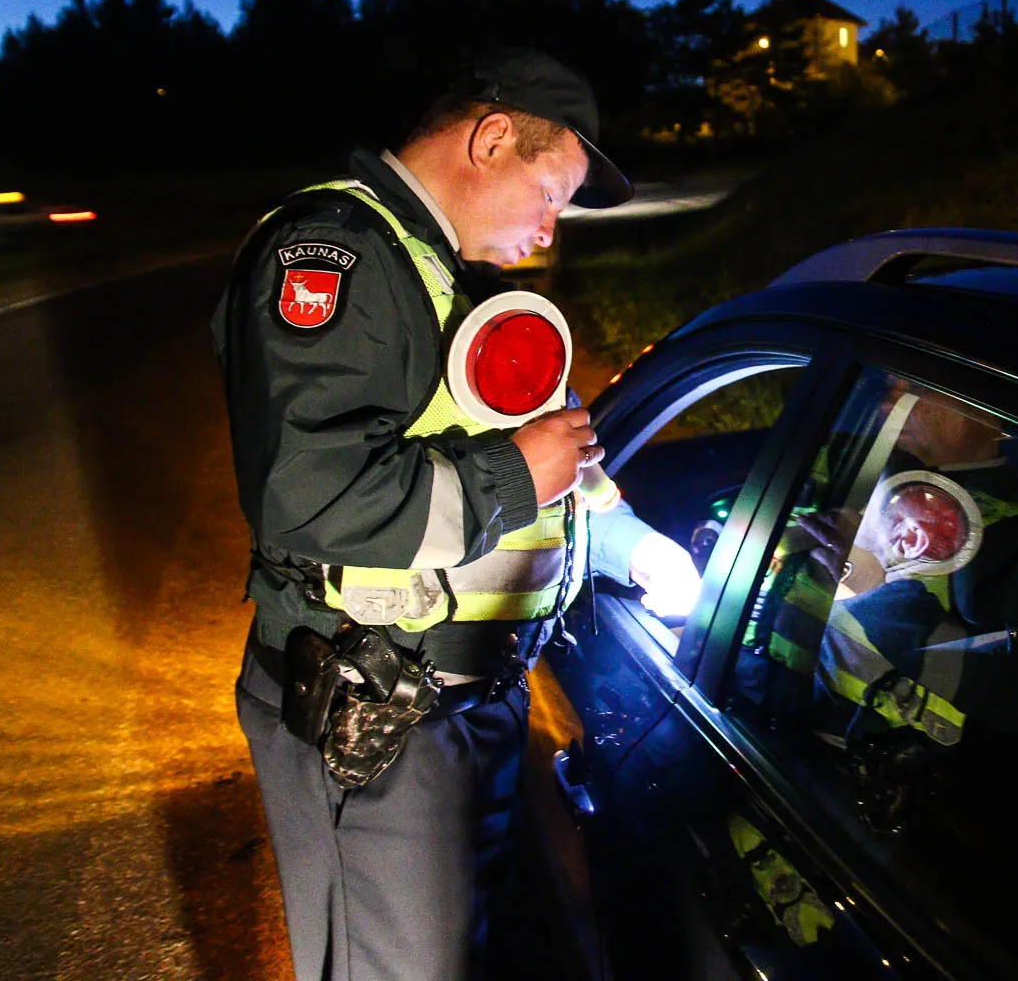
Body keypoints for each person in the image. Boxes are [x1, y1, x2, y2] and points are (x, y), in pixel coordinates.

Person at [212, 48, 693, 981]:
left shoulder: (448, 277)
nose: (549, 231)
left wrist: (631, 547)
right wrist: (516, 474)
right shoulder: (338, 254)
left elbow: (557, 469)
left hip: (462, 701)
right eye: (550, 194)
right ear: (494, 137)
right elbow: (308, 498)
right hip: (373, 719)